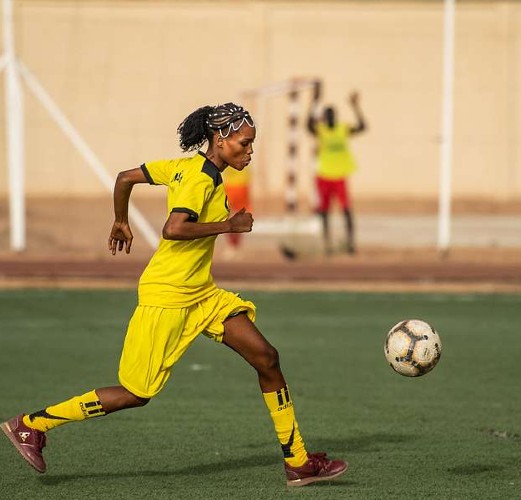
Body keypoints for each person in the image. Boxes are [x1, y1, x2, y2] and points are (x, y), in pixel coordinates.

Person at [1, 102, 348, 487]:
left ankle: (297, 462)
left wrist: (120, 220)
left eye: (252, 144)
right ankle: (32, 424)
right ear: (220, 138)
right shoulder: (199, 179)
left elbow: (125, 177)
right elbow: (174, 228)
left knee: (267, 358)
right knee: (135, 393)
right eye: (245, 144)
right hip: (167, 296)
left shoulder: (183, 167)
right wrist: (228, 225)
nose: (250, 151)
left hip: (201, 294)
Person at [307, 81, 367, 255]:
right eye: (328, 115)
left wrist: (355, 106)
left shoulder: (343, 129)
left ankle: (351, 243)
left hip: (340, 175)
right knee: (324, 211)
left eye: (333, 114)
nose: (331, 118)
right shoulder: (321, 130)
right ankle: (327, 245)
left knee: (347, 209)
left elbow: (362, 127)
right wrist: (314, 102)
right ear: (325, 118)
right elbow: (308, 125)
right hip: (324, 175)